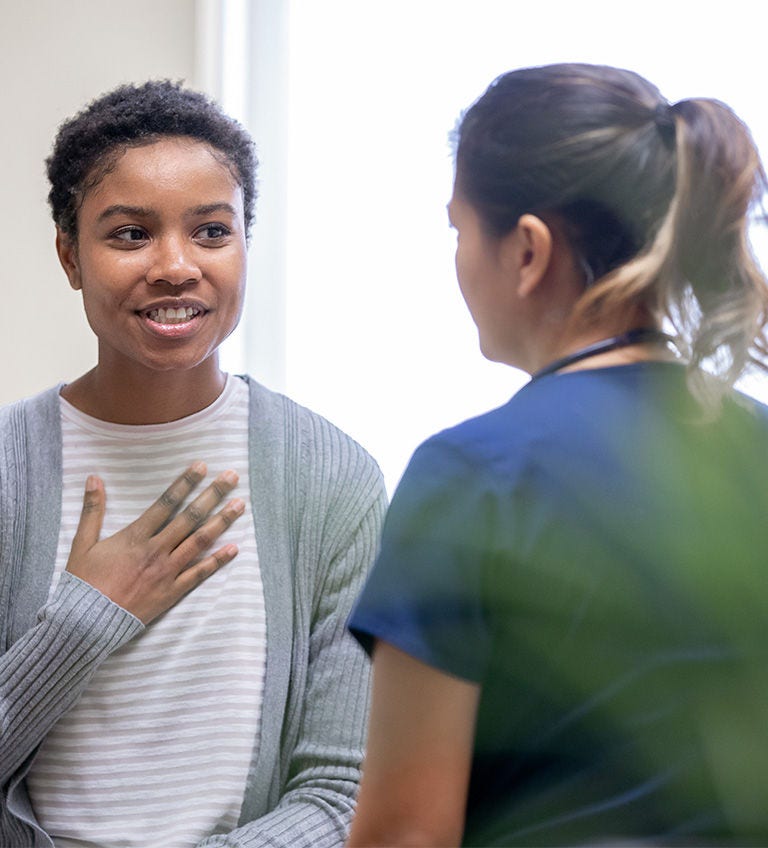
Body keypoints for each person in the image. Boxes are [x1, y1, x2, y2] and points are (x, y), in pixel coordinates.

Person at [347, 63, 768, 847]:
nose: (458, 260)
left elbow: (405, 836)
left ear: (528, 250)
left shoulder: (472, 477)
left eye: (459, 229)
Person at [0, 80, 386, 847]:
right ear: (70, 257)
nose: (176, 266)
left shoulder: (332, 478)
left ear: (246, 242)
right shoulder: (9, 471)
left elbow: (345, 794)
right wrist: (81, 621)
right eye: (131, 234)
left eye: (212, 231)